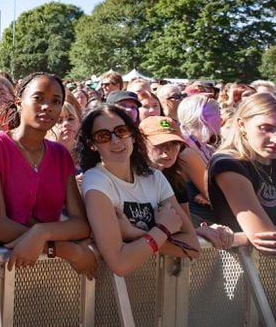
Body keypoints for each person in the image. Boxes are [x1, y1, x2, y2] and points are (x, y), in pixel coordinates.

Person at [0, 73, 97, 278]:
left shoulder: (60, 155)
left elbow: (81, 225)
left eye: (56, 101)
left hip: (46, 274)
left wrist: (42, 232)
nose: (47, 106)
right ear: (19, 102)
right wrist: (66, 250)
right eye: (38, 98)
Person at [78, 105, 200, 276]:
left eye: (121, 131)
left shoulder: (155, 177)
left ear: (133, 136)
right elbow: (120, 263)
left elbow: (193, 247)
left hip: (158, 287)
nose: (116, 140)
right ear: (92, 145)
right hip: (113, 292)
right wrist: (163, 230)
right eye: (103, 136)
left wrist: (133, 233)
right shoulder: (96, 182)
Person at [208, 93, 276, 256]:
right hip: (247, 272)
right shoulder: (228, 165)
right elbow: (268, 240)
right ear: (242, 125)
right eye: (267, 129)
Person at [139, 116, 234, 250]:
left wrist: (200, 231)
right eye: (159, 144)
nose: (168, 150)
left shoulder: (176, 180)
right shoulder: (128, 177)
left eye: (174, 143)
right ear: (141, 143)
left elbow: (186, 228)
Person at [177, 95, 222, 224]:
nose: (221, 118)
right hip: (202, 223)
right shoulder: (186, 152)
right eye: (218, 113)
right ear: (203, 118)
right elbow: (213, 195)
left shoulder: (207, 147)